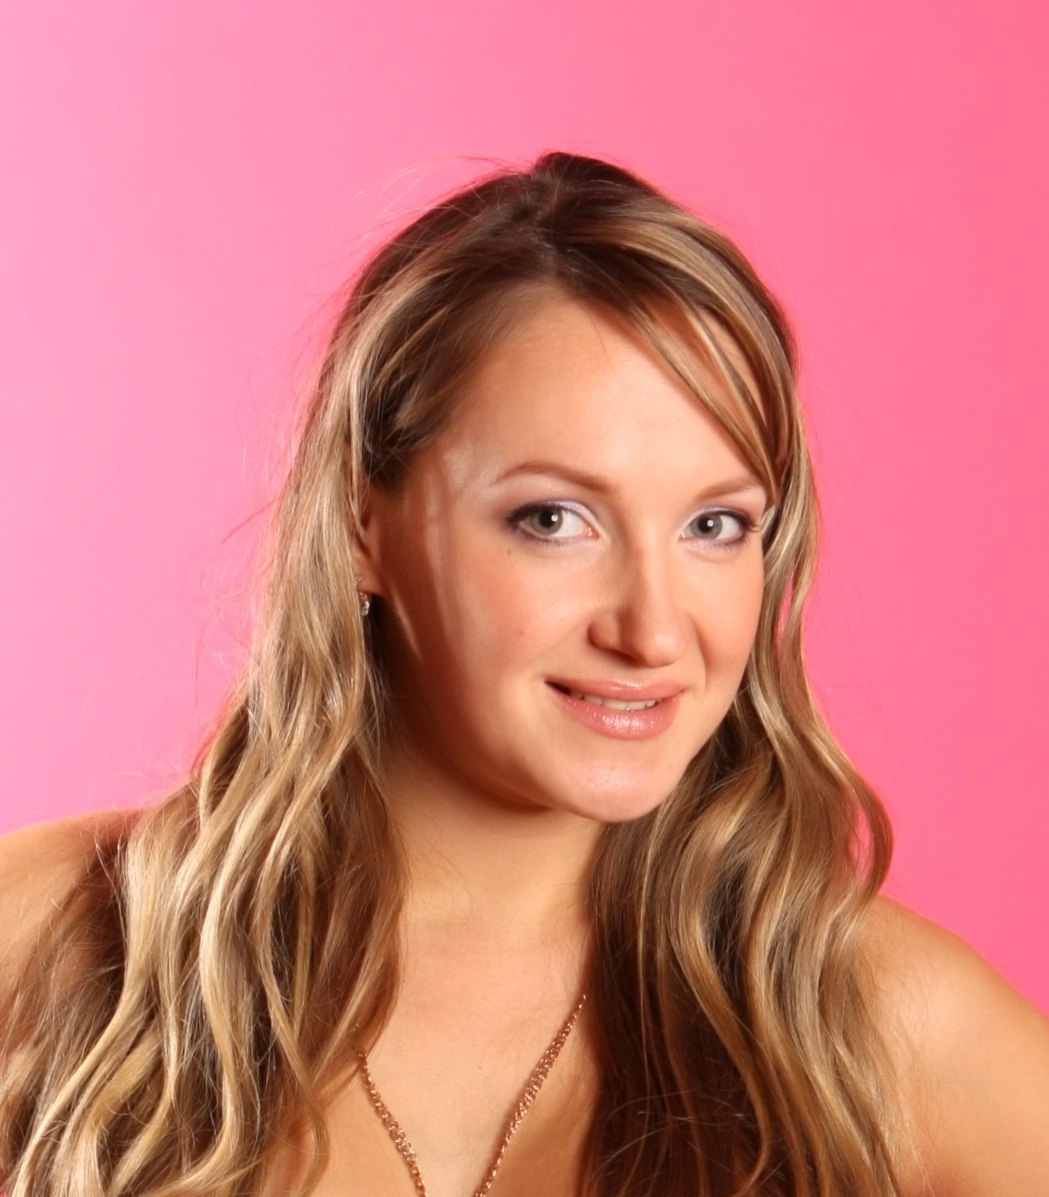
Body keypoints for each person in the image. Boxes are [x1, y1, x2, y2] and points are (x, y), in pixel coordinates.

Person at [1, 151, 1047, 1197]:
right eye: (552, 519)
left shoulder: (878, 1026)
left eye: (713, 526)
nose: (652, 631)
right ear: (363, 523)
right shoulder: (51, 942)